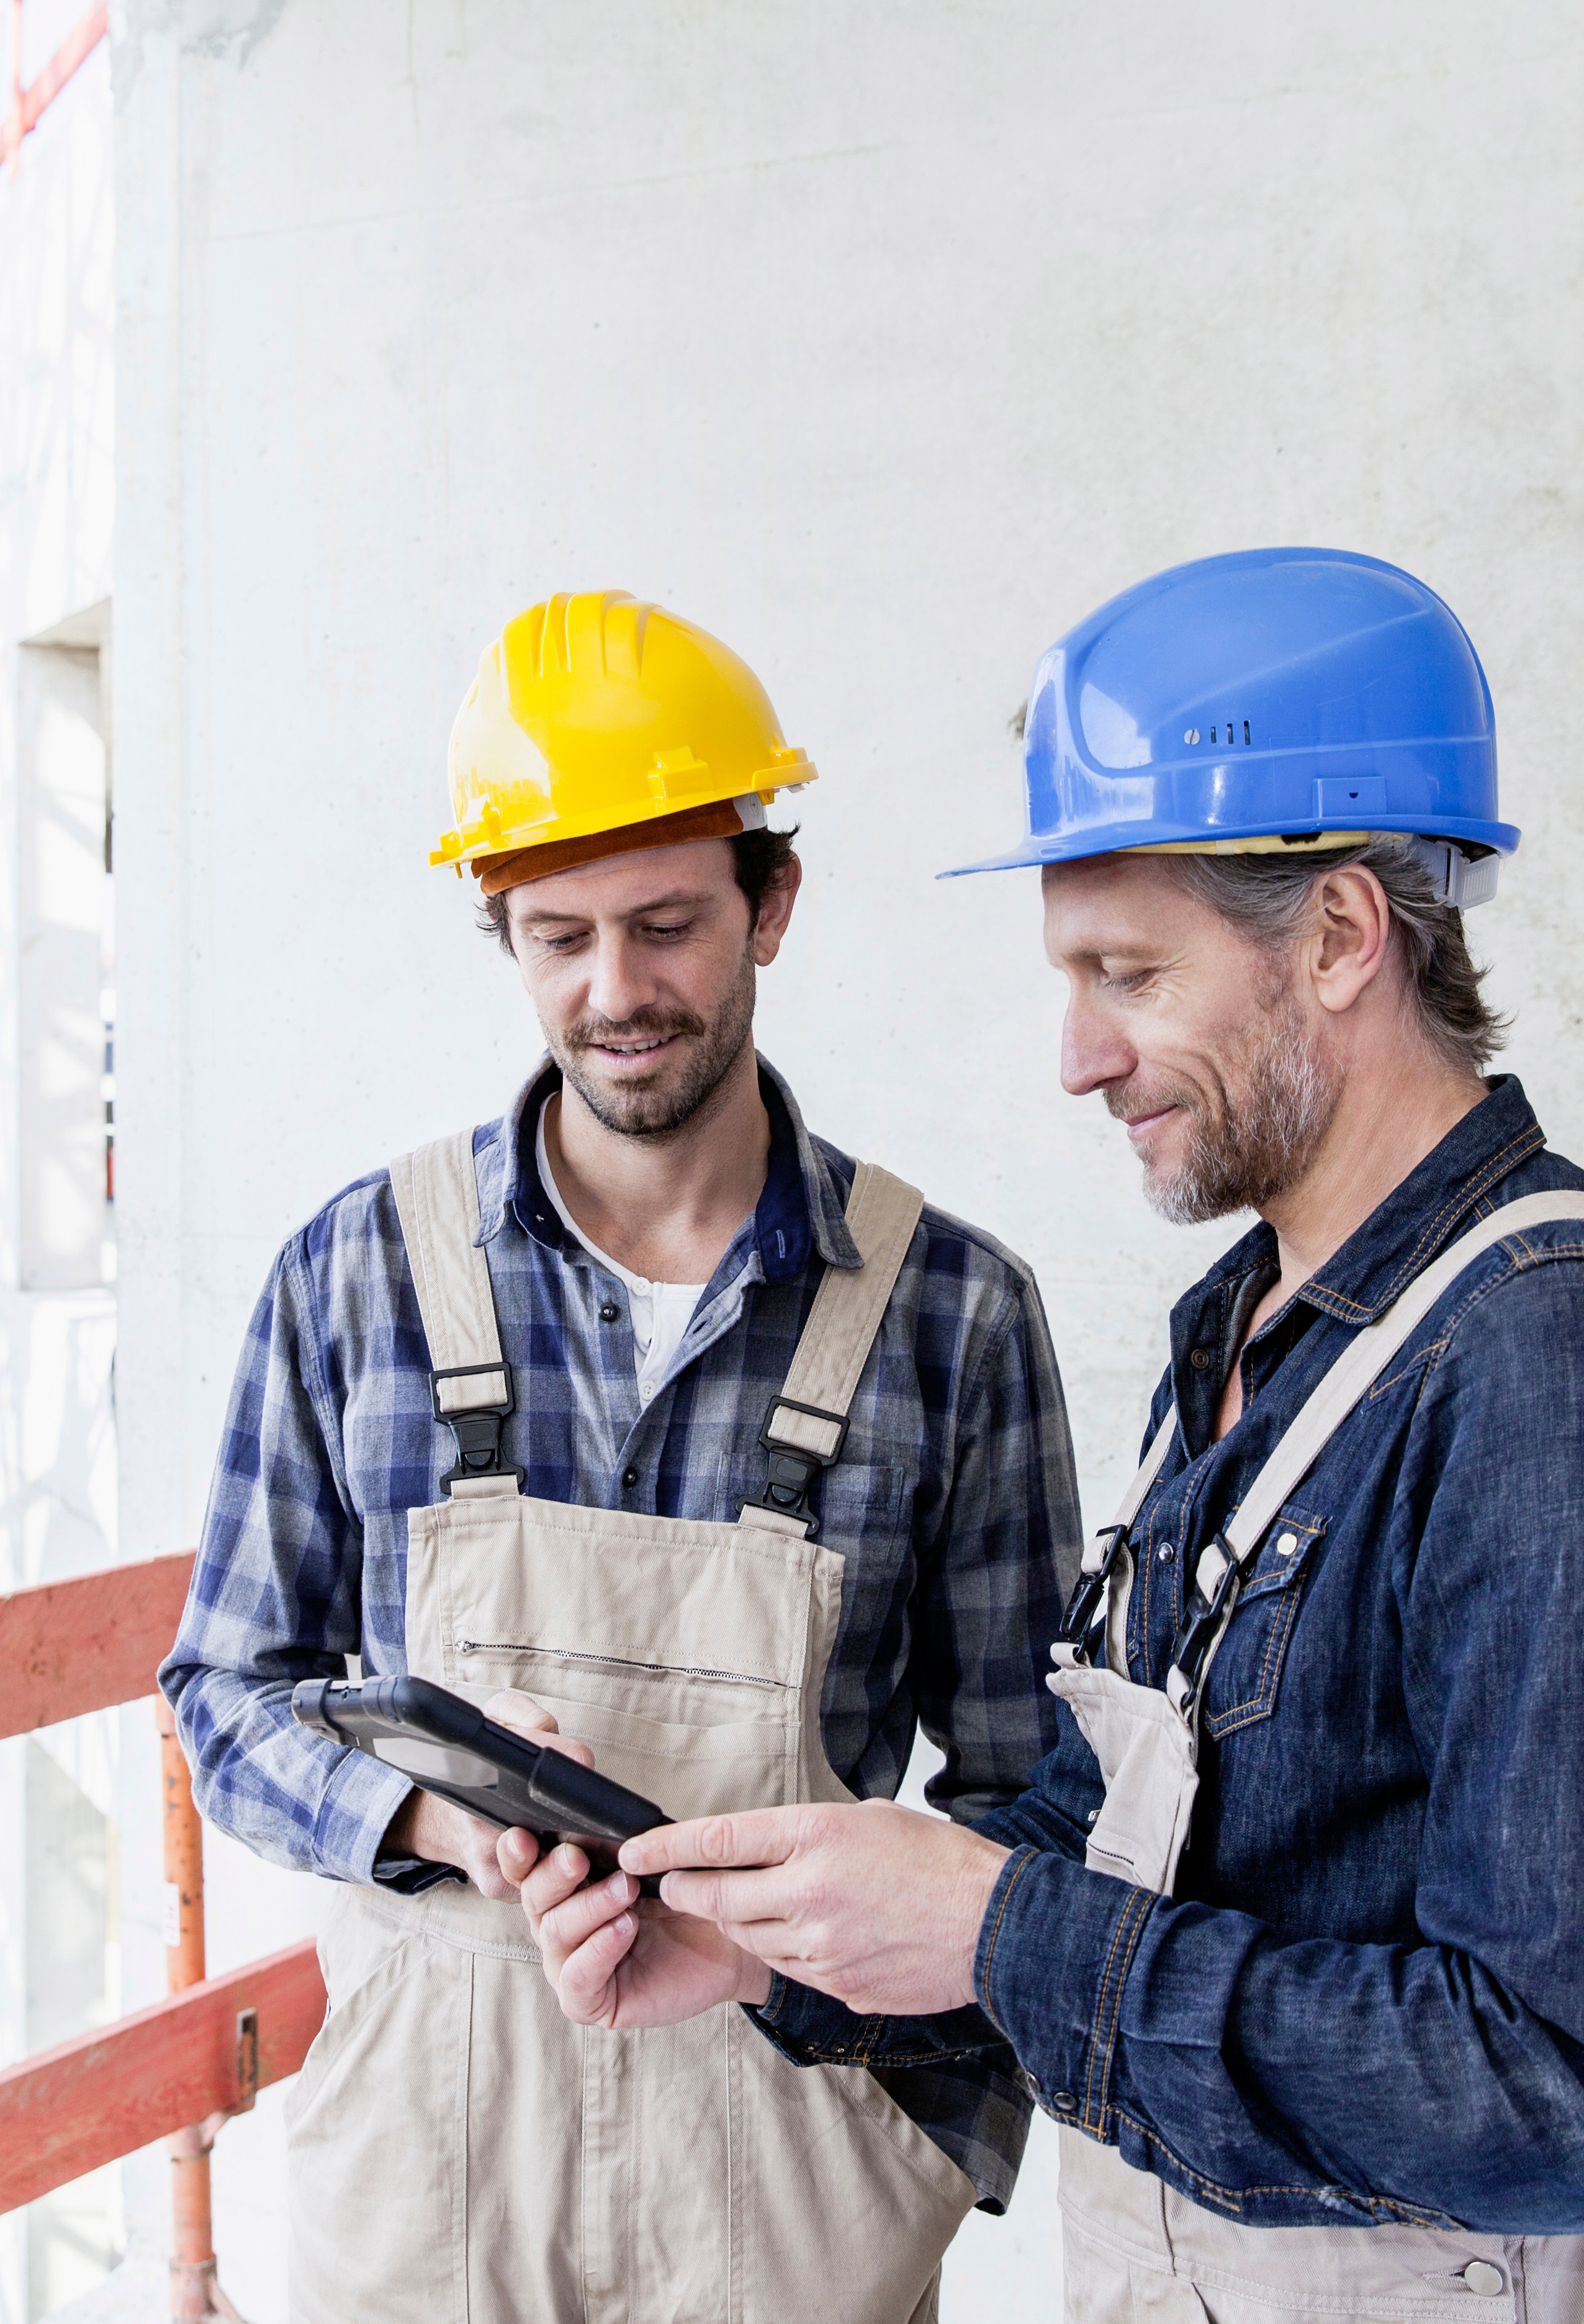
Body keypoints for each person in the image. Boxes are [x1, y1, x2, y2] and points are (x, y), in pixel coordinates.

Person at [511, 548, 1584, 2322]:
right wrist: (776, 1950)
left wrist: (988, 1929)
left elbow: (1575, 2098)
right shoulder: (1245, 1335)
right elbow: (1106, 1834)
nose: (1077, 1056)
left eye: (1129, 973)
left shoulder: (1575, 1360)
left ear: (1342, 935)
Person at [159, 589, 1084, 2324]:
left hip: (789, 2152)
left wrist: (893, 2083)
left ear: (772, 903)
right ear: (497, 930)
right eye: (556, 934)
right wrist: (438, 1807)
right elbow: (224, 1697)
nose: (615, 991)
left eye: (665, 924)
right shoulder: (353, 1276)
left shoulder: (951, 1315)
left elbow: (1034, 1802)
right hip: (435, 2169)